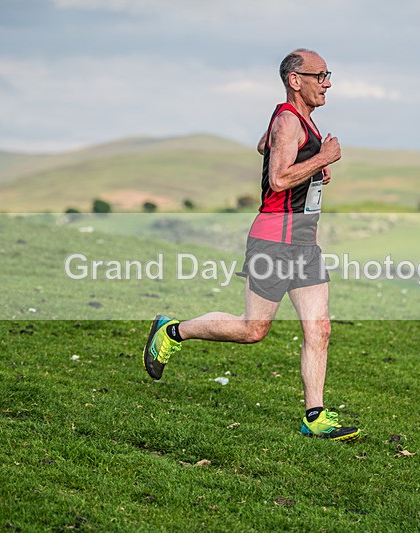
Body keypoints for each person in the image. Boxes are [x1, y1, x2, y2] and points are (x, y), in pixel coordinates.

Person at [143, 49, 360, 443]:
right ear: (296, 80)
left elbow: (265, 147)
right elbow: (277, 180)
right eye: (321, 74)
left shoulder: (296, 123)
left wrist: (312, 163)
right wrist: (323, 157)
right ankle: (172, 331)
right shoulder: (288, 121)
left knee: (320, 328)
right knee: (252, 329)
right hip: (274, 240)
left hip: (304, 242)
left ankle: (314, 415)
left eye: (329, 74)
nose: (328, 82)